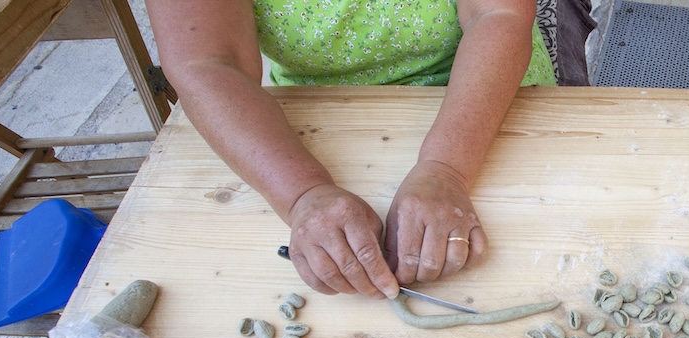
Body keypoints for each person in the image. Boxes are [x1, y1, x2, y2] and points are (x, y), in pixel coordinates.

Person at [144, 0, 557, 297]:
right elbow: (206, 61)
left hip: (486, 98)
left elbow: (498, 14)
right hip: (306, 128)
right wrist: (302, 194)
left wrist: (447, 167)